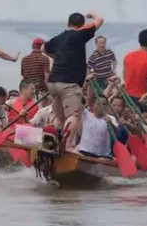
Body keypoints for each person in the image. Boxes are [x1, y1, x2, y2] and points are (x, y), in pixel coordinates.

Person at [42, 11, 105, 148]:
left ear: (68, 23)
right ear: (81, 25)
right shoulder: (80, 34)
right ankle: (68, 146)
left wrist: (57, 57)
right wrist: (91, 14)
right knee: (74, 116)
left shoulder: (59, 38)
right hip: (69, 83)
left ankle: (53, 145)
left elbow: (43, 48)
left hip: (53, 82)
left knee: (60, 118)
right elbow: (99, 20)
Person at [123, 29, 147, 110]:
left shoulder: (127, 57)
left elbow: (125, 77)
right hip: (142, 98)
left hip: (126, 97)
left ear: (139, 40)